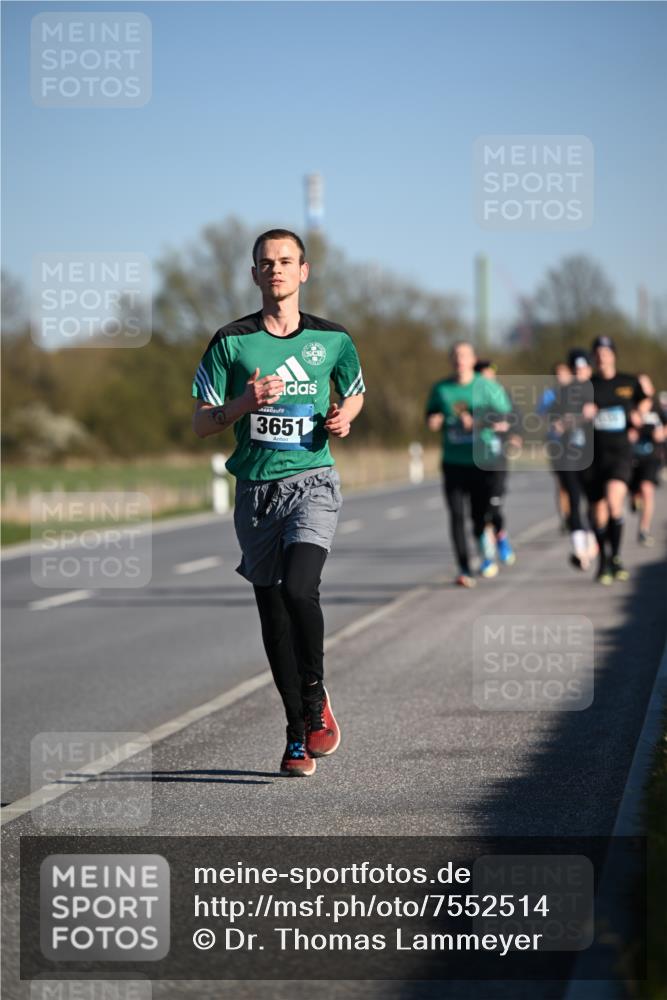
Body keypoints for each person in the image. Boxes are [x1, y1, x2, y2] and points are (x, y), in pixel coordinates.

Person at [192, 229, 365, 776]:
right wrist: (245, 401)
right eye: (266, 263)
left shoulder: (333, 339)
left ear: (304, 272)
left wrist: (346, 416)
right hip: (256, 493)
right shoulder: (231, 341)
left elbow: (355, 389)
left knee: (299, 588)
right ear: (253, 275)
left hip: (313, 480)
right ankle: (295, 732)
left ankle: (314, 700)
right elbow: (200, 421)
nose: (276, 271)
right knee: (272, 614)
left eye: (286, 262)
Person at [426, 342, 512, 587]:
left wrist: (477, 421)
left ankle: (488, 546)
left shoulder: (486, 387)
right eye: (455, 355)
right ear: (450, 360)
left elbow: (506, 417)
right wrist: (434, 420)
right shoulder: (441, 389)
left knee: (478, 514)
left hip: (481, 460)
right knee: (456, 515)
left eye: (464, 355)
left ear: (473, 360)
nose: (459, 360)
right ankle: (464, 568)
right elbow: (431, 414)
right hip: (453, 462)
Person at [584, 335, 645, 584]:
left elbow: (644, 400)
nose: (602, 357)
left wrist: (638, 415)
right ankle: (604, 561)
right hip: (593, 456)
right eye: (598, 353)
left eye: (606, 352)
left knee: (613, 503)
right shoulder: (586, 385)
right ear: (594, 357)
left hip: (619, 453)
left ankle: (617, 557)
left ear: (613, 355)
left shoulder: (628, 382)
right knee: (597, 512)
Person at [547, 348, 598, 570]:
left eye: (584, 368)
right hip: (569, 456)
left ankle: (594, 542)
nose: (580, 373)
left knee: (595, 503)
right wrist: (573, 420)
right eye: (576, 369)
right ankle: (579, 550)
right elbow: (555, 424)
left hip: (596, 456)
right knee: (575, 502)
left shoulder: (599, 389)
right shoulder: (562, 394)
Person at [473, 359, 519, 566]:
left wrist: (511, 432)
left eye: (489, 373)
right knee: (478, 512)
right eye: (481, 374)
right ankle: (486, 555)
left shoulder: (502, 394)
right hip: (474, 459)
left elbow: (516, 419)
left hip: (497, 458)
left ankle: (501, 537)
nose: (486, 378)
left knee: (494, 506)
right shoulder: (470, 397)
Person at [629, 373, 666, 547]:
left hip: (652, 456)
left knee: (647, 490)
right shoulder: (630, 407)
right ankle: (634, 498)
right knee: (635, 492)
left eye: (646, 385)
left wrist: (661, 433)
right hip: (631, 456)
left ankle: (644, 530)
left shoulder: (657, 406)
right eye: (640, 385)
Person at [538, 363, 574, 532]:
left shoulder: (578, 393)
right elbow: (542, 415)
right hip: (557, 444)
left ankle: (578, 515)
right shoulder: (549, 395)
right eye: (557, 374)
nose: (561, 377)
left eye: (564, 373)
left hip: (577, 445)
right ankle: (565, 518)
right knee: (561, 484)